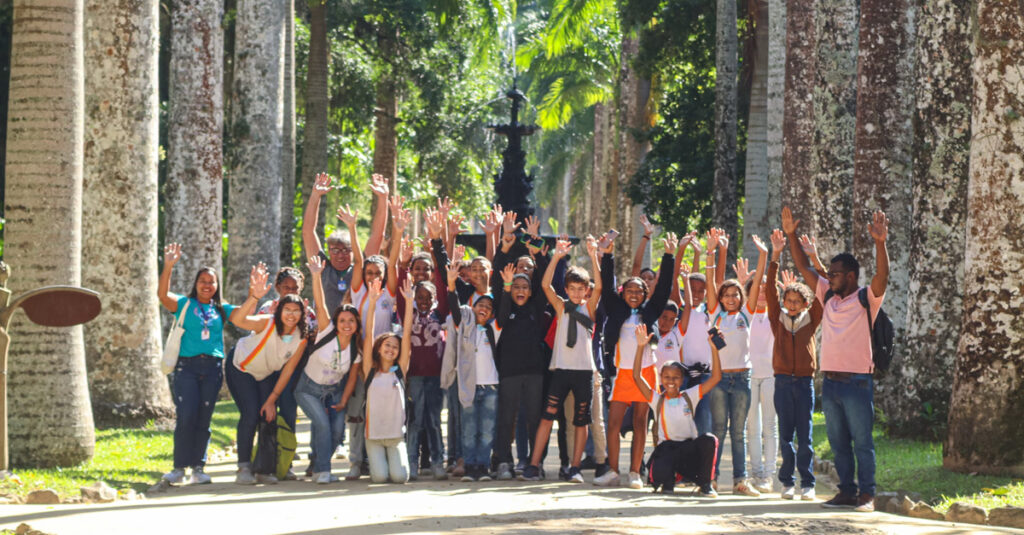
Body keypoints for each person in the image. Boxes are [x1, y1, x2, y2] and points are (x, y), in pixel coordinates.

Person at [783, 206, 889, 512]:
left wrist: (880, 243)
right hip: (830, 383)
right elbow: (804, 267)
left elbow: (883, 275)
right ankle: (846, 491)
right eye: (829, 273)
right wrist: (791, 235)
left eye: (835, 273)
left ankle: (867, 495)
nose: (829, 276)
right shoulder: (827, 295)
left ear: (851, 276)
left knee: (862, 442)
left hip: (857, 382)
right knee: (839, 442)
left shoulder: (865, 297)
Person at [593, 233, 677, 489]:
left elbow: (663, 289)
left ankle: (634, 473)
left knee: (641, 422)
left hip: (646, 372)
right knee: (614, 423)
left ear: (644, 293)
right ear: (623, 292)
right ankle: (613, 471)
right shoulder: (615, 306)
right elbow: (607, 285)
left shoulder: (650, 310)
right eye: (629, 290)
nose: (633, 294)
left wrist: (669, 255)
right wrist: (607, 254)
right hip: (622, 373)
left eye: (638, 291)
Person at [271, 256, 363, 484]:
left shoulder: (356, 347)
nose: (347, 325)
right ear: (336, 321)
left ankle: (321, 463)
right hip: (308, 389)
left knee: (336, 431)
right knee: (321, 423)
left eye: (351, 321)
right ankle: (323, 470)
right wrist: (316, 275)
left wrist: (343, 400)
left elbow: (352, 377)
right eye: (342, 320)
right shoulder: (326, 331)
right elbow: (320, 304)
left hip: (334, 390)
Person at [520, 237, 602, 483]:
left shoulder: (589, 308)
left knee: (580, 420)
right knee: (548, 416)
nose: (577, 293)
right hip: (561, 370)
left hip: (584, 372)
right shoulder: (561, 306)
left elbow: (599, 288)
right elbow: (546, 286)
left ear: (586, 290)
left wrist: (593, 255)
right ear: (566, 289)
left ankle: (575, 467)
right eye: (572, 288)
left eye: (581, 289)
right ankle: (533, 465)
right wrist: (556, 257)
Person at [157, 243, 240, 485]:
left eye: (211, 282)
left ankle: (199, 468)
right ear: (196, 283)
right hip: (187, 368)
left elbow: (244, 315)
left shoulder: (221, 309)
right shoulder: (185, 304)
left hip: (212, 368)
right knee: (186, 416)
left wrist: (256, 295)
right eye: (202, 281)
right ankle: (178, 468)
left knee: (204, 418)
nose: (207, 285)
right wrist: (169, 266)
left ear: (217, 286)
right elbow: (162, 296)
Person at [335, 200, 402, 478]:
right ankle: (355, 460)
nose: (373, 276)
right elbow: (360, 260)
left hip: (385, 359)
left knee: (382, 406)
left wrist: (397, 231)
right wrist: (352, 228)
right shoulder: (360, 292)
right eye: (370, 273)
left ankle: (380, 456)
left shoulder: (388, 294)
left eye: (379, 273)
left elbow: (394, 259)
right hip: (361, 358)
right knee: (357, 408)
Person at [226, 266, 310, 485]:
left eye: (296, 310)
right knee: (251, 413)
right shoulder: (267, 322)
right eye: (287, 310)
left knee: (269, 414)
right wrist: (253, 296)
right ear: (279, 310)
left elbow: (288, 371)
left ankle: (264, 467)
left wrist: (272, 399)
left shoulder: (301, 338)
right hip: (241, 367)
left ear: (302, 313)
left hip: (265, 374)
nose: (291, 315)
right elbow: (238, 320)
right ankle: (244, 467)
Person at [704, 229, 768, 497]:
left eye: (735, 295)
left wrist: (764, 254)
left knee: (738, 432)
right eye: (726, 295)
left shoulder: (747, 313)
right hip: (719, 380)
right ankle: (712, 479)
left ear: (742, 297)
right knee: (718, 429)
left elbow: (755, 287)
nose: (731, 298)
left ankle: (740, 481)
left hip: (742, 378)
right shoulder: (715, 313)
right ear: (720, 299)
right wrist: (710, 253)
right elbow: (710, 281)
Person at [631, 323, 721, 497]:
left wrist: (714, 349)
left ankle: (705, 484)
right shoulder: (657, 399)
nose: (670, 381)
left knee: (709, 439)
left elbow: (716, 377)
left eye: (675, 377)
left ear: (682, 380)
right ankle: (668, 480)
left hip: (688, 451)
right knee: (666, 487)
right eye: (666, 377)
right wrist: (641, 347)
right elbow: (636, 376)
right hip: (667, 450)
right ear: (661, 378)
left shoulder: (689, 396)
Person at [767, 228, 821, 500]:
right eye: (788, 300)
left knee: (806, 435)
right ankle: (787, 482)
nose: (792, 304)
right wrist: (775, 256)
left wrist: (814, 259)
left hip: (804, 382)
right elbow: (768, 290)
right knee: (785, 434)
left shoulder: (811, 319)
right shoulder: (777, 318)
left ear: (805, 303)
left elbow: (822, 289)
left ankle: (808, 484)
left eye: (797, 301)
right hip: (782, 381)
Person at [492, 257, 551, 480]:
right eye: (516, 287)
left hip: (534, 372)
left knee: (534, 419)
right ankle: (504, 461)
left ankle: (536, 463)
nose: (520, 291)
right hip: (509, 372)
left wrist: (543, 257)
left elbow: (545, 283)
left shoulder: (536, 307)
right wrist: (506, 288)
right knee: (507, 418)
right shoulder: (504, 304)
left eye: (525, 287)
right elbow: (503, 317)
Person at [402, 209, 451, 481]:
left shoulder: (440, 312)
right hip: (414, 376)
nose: (423, 301)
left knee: (434, 421)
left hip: (435, 375)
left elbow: (444, 281)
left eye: (427, 297)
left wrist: (437, 242)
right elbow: (403, 284)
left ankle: (437, 462)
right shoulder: (407, 309)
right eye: (418, 297)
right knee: (415, 421)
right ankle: (410, 463)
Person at [442, 260, 500, 482]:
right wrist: (450, 284)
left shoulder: (494, 329)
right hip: (468, 387)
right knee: (468, 430)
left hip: (491, 387)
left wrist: (502, 285)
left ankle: (482, 468)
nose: (483, 309)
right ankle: (469, 467)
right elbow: (454, 306)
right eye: (479, 306)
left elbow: (502, 307)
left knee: (486, 430)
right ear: (472, 309)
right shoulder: (464, 325)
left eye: (487, 307)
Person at [302, 173, 389, 313]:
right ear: (329, 251)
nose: (340, 255)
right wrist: (315, 195)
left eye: (346, 250)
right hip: (326, 330)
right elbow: (308, 232)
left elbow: (378, 235)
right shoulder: (322, 267)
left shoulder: (361, 268)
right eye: (335, 250)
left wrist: (383, 198)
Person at [361, 278, 415, 483]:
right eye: (387, 345)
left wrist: (408, 303)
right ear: (379, 347)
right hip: (373, 437)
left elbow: (407, 333)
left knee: (400, 478)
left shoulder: (399, 372)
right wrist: (372, 302)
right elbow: (368, 335)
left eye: (395, 347)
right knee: (380, 478)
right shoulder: (369, 371)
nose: (391, 349)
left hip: (395, 437)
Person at [734, 255, 777, 495]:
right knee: (751, 427)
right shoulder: (744, 315)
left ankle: (768, 476)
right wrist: (742, 282)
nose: (761, 293)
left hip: (771, 376)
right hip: (749, 376)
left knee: (770, 426)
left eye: (765, 290)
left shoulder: (777, 313)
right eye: (756, 289)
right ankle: (755, 471)